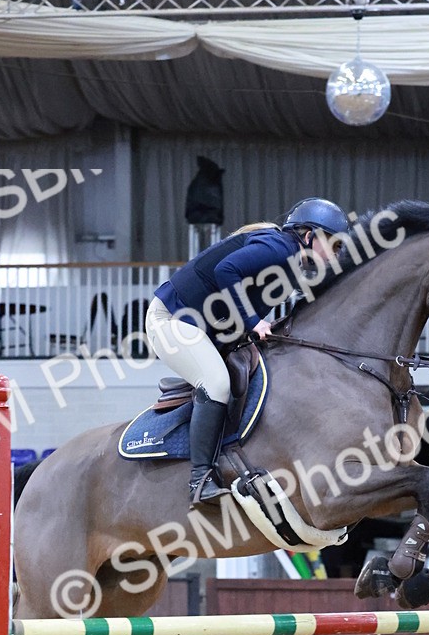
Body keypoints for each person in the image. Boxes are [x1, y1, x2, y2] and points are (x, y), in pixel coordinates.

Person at [144, 197, 352, 505]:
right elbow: (226, 270)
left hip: (203, 328)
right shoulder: (281, 249)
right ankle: (200, 479)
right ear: (309, 235)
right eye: (333, 244)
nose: (336, 254)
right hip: (171, 320)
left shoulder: (289, 260)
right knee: (216, 383)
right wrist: (253, 322)